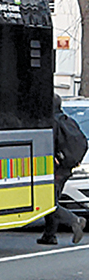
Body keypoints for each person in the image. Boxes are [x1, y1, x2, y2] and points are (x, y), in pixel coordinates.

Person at [39, 94, 87, 245]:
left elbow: (47, 143)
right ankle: (49, 235)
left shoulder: (50, 122)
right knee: (53, 198)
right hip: (67, 167)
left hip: (56, 167)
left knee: (48, 202)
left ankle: (75, 221)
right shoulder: (68, 121)